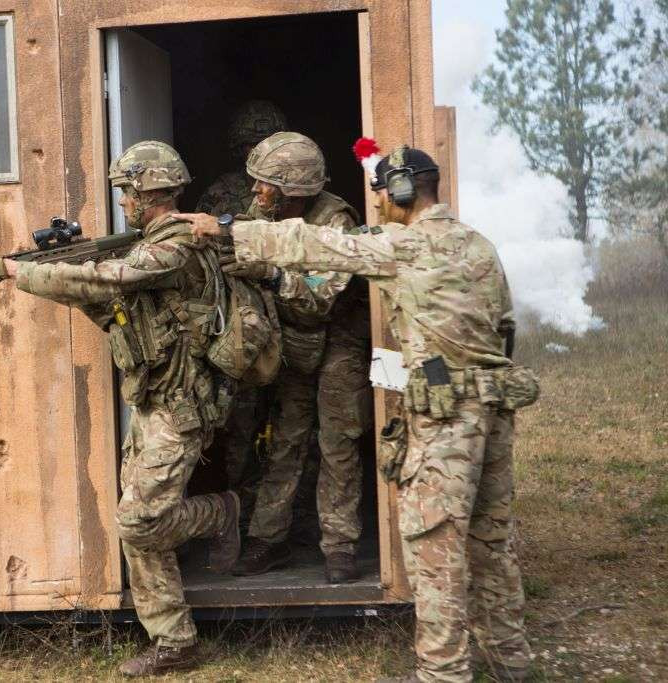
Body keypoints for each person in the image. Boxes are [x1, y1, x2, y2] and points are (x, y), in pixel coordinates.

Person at [176, 141, 537, 683]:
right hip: (494, 413)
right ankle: (512, 661)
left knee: (433, 550)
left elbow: (315, 245)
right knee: (491, 541)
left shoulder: (405, 246)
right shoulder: (479, 245)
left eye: (382, 194)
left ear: (401, 191)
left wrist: (227, 230)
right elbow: (504, 328)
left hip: (446, 424)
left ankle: (443, 673)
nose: (379, 204)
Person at [0, 140, 241, 678]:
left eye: (125, 192)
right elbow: (101, 295)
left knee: (139, 521)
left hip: (183, 403)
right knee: (134, 519)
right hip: (153, 397)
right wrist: (47, 268)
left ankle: (221, 513)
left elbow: (109, 278)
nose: (121, 203)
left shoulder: (175, 245)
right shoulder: (149, 240)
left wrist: (15, 272)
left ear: (147, 191)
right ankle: (175, 642)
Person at [220, 132, 371, 584]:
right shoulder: (259, 216)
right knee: (285, 439)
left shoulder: (336, 221)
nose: (255, 191)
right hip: (294, 341)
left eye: (264, 183)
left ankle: (340, 545)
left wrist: (268, 273)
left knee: (338, 442)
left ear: (291, 189)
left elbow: (319, 300)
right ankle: (269, 539)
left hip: (339, 340)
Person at [196, 100, 289, 532]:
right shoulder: (223, 193)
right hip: (242, 324)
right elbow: (201, 252)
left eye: (264, 143)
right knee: (238, 427)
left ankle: (280, 523)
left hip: (293, 322)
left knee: (291, 433)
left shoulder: (294, 192)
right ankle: (238, 513)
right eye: (251, 144)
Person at [195, 100, 289, 217]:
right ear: (240, 149)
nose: (264, 152)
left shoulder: (297, 190)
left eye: (270, 144)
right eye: (254, 144)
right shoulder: (221, 193)